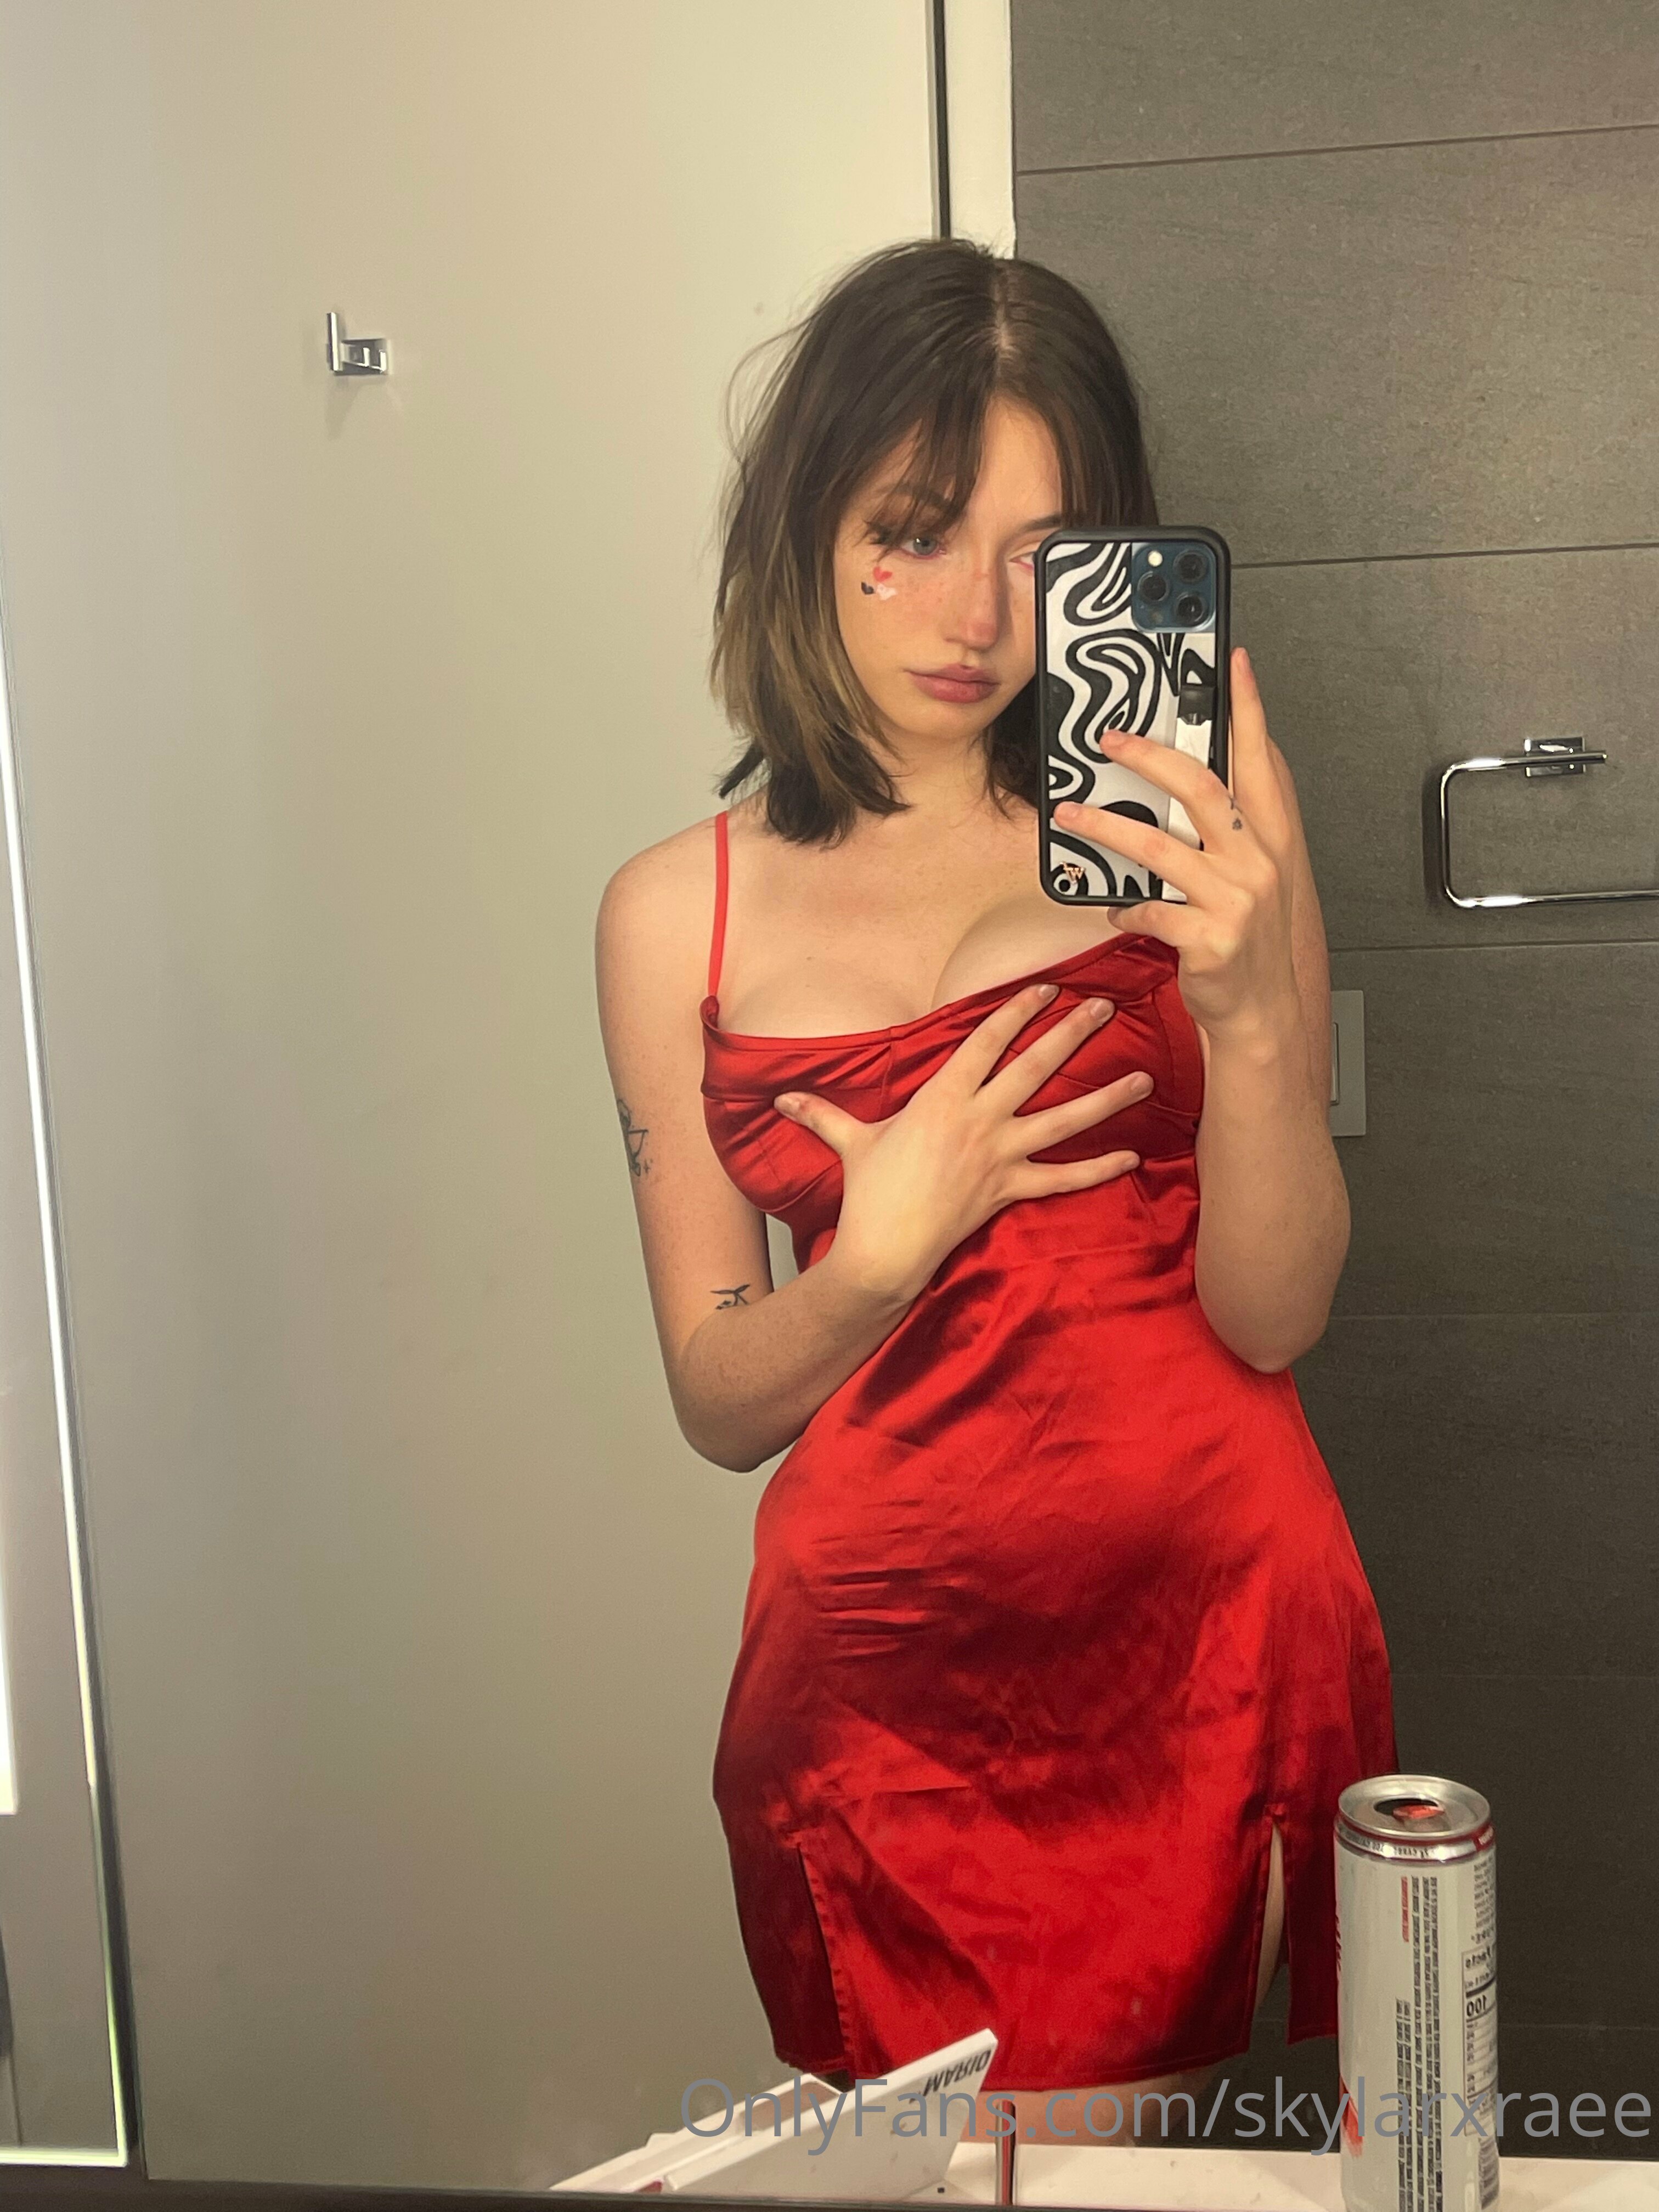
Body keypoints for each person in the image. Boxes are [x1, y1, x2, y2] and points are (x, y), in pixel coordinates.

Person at [595, 238, 1397, 2146]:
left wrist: (1249, 1018)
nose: (976, 615)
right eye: (913, 531)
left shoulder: (1207, 835)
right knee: (922, 2176)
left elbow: (1278, 1311)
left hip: (1201, 1639)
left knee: (1151, 2176)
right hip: (878, 1694)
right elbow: (718, 1400)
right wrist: (877, 1257)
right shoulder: (674, 912)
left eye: (1044, 555)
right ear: (804, 523)